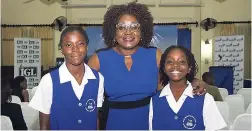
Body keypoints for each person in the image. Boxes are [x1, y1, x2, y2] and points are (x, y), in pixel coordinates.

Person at [88, 2, 206, 130]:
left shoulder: (155, 55)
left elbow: (174, 79)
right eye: (122, 27)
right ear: (113, 31)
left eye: (134, 27)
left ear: (142, 31)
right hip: (114, 123)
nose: (128, 32)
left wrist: (194, 81)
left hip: (151, 121)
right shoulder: (99, 58)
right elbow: (83, 94)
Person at [29, 26, 104, 130]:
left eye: (80, 44)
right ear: (62, 50)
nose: (75, 49)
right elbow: (44, 126)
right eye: (69, 45)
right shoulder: (48, 81)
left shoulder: (98, 79)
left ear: (87, 47)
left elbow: (96, 118)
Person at [149, 45, 226, 130]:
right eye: (170, 61)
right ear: (163, 68)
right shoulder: (154, 101)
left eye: (181, 62)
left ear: (189, 68)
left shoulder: (205, 99)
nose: (175, 65)